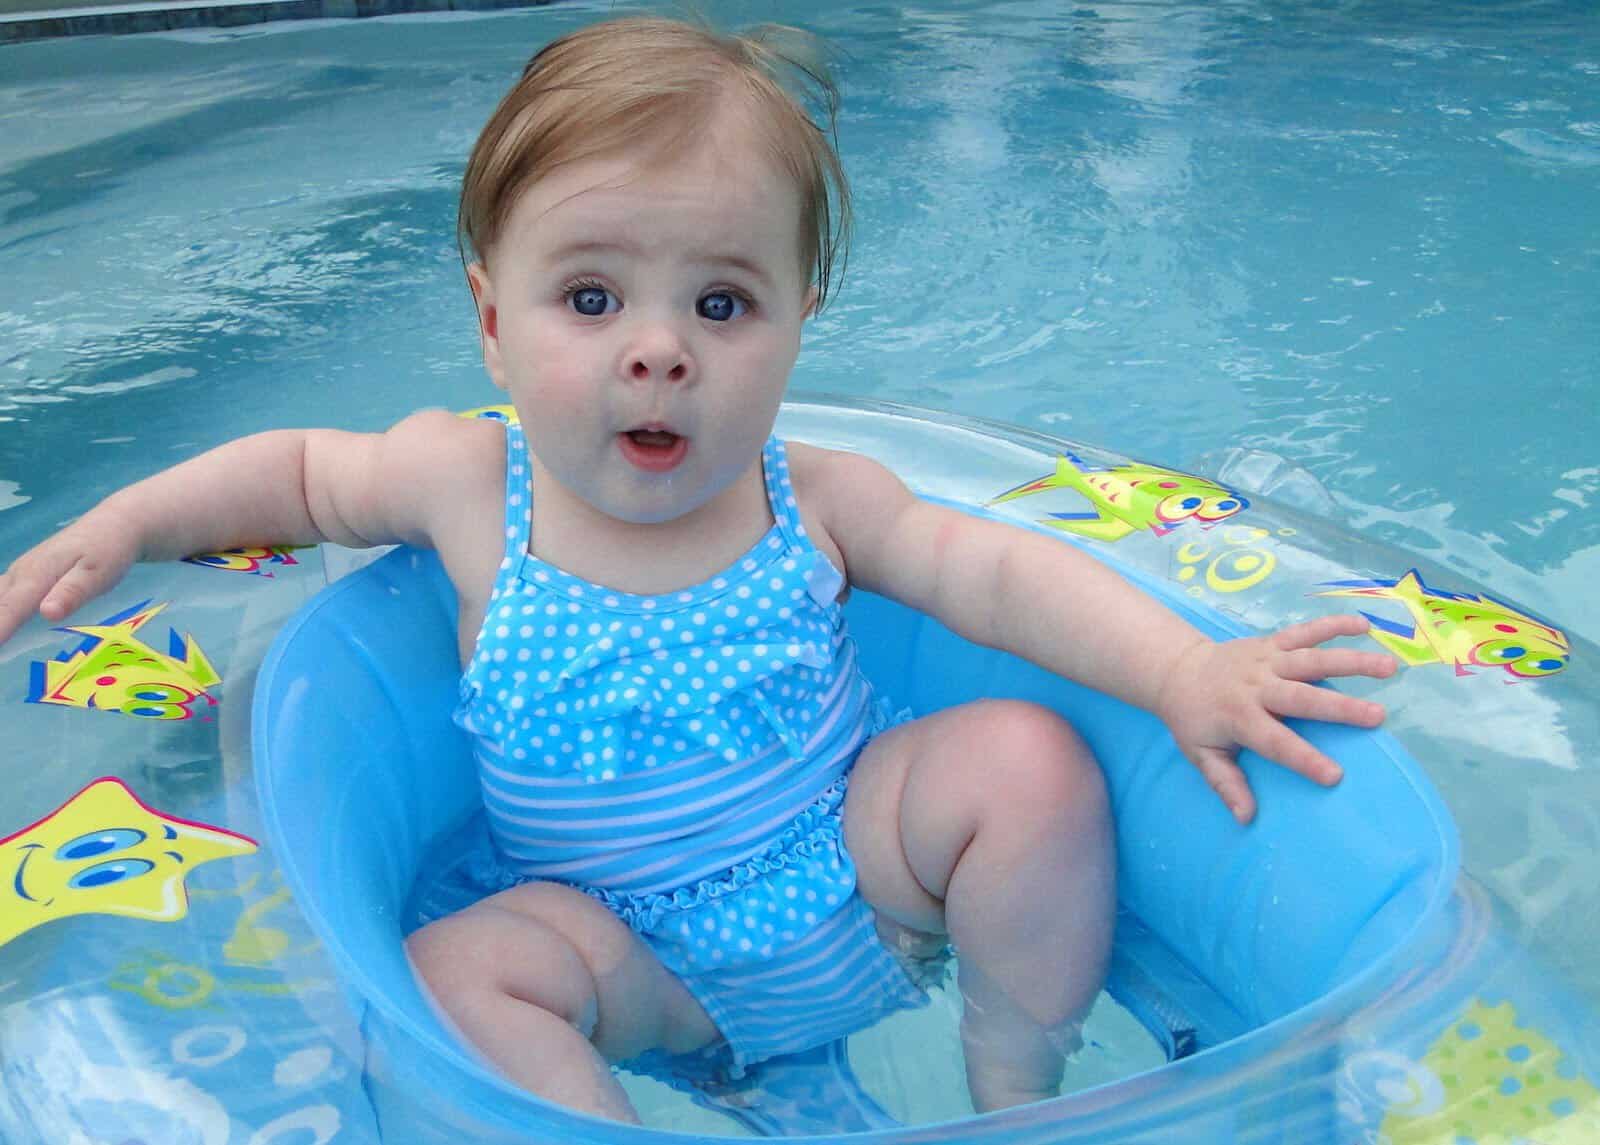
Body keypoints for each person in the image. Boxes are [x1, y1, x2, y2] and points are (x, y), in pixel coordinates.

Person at [0, 15, 1396, 1125]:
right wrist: (121, 521)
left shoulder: (817, 499)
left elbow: (998, 575)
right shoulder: (472, 487)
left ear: (797, 325)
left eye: (722, 302)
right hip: (636, 962)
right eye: (591, 297)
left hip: (864, 881)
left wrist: (1183, 667)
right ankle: (608, 1122)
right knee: (462, 970)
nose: (659, 348)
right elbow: (299, 474)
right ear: (494, 322)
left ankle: (1014, 1083)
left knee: (1028, 760)